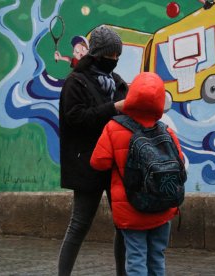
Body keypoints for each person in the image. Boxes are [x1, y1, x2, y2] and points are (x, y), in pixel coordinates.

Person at [90, 72, 184, 275]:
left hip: (131, 209)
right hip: (162, 207)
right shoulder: (166, 131)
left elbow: (98, 162)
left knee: (136, 258)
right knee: (157, 257)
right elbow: (181, 164)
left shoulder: (113, 128)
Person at [58, 25, 128, 276]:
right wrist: (114, 108)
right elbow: (76, 118)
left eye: (118, 56)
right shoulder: (75, 82)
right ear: (97, 53)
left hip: (116, 164)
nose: (115, 60)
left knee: (123, 225)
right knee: (79, 225)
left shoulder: (118, 83)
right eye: (110, 56)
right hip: (87, 164)